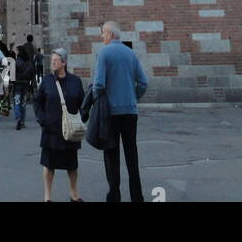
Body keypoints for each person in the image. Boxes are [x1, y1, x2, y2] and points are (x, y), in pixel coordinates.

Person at [91, 20, 148, 203]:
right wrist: (133, 96)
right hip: (130, 112)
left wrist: (95, 98)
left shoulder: (104, 53)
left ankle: (114, 195)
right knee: (132, 154)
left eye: (102, 33)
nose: (101, 37)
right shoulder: (131, 53)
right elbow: (143, 82)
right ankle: (137, 196)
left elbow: (99, 84)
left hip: (111, 113)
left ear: (110, 34)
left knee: (111, 154)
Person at [33, 47, 85, 202]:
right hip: (51, 129)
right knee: (49, 165)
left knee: (72, 165)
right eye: (52, 61)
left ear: (64, 62)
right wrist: (43, 120)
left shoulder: (75, 81)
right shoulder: (47, 81)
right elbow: (37, 102)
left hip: (70, 131)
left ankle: (74, 194)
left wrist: (80, 119)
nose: (53, 63)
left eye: (55, 61)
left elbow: (83, 104)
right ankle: (47, 196)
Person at [13, 45, 34, 129]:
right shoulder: (29, 62)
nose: (16, 52)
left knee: (17, 102)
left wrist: (12, 83)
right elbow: (32, 73)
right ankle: (22, 122)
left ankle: (18, 118)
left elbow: (12, 74)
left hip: (17, 84)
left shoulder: (16, 62)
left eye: (17, 51)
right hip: (26, 85)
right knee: (23, 103)